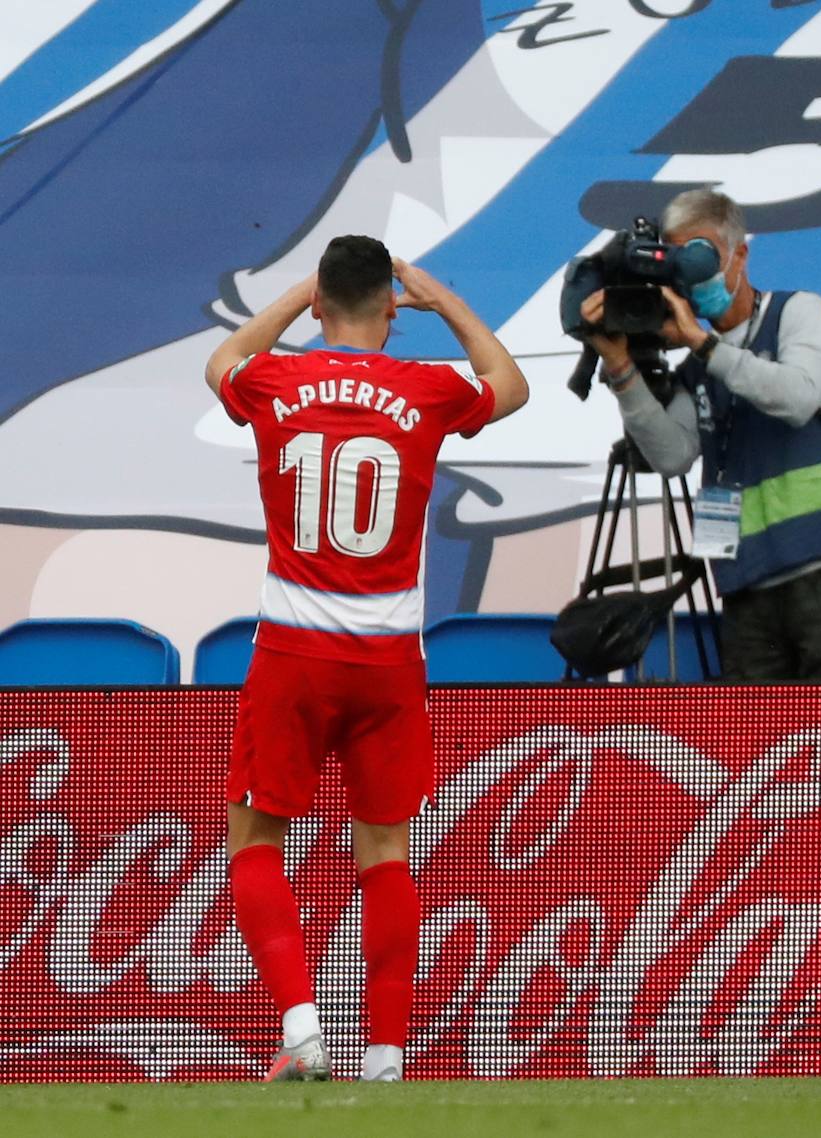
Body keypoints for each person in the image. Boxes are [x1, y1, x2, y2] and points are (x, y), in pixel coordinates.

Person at [204, 235, 528, 1081]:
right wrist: (443, 301)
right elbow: (510, 383)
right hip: (387, 661)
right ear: (392, 306)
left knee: (255, 839)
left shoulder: (276, 381)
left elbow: (221, 363)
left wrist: (295, 296)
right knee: (385, 852)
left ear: (319, 304)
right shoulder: (427, 388)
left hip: (293, 651)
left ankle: (302, 1032)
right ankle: (385, 1055)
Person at [578, 188, 821, 681]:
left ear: (740, 254)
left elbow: (797, 397)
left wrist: (703, 345)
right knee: (751, 733)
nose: (692, 275)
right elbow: (671, 456)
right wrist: (621, 370)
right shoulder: (698, 365)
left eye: (701, 256)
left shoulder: (798, 313)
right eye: (679, 262)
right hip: (746, 586)